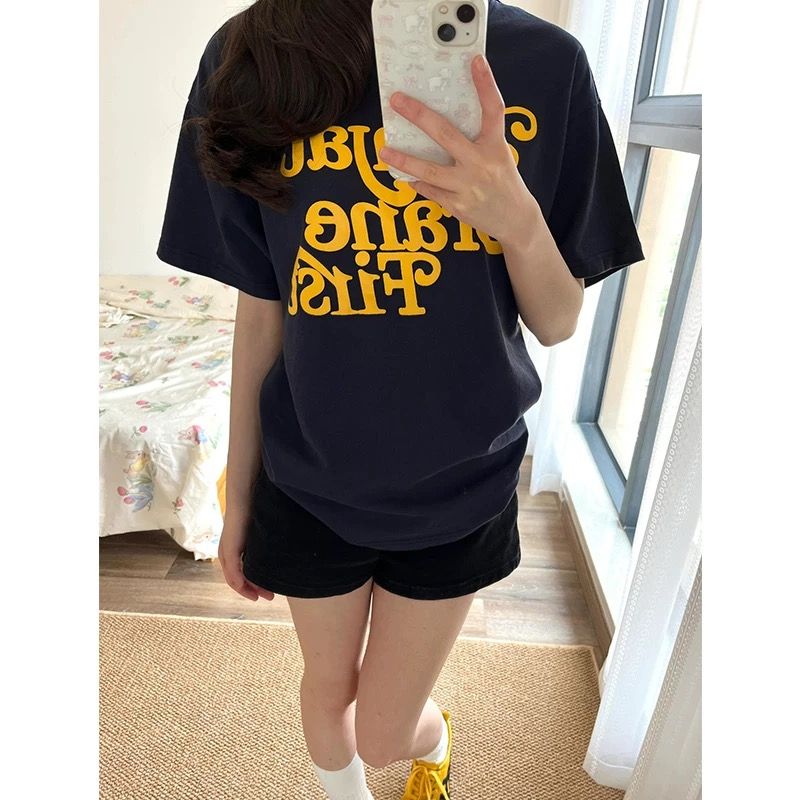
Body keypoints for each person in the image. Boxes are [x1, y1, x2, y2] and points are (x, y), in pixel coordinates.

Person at [156, 1, 645, 798]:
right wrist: (236, 495)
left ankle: (433, 739)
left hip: (461, 483)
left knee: (385, 733)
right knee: (326, 690)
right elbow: (263, 305)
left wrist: (518, 221)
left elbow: (557, 322)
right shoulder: (251, 52)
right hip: (306, 475)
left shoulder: (545, 65)